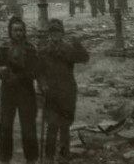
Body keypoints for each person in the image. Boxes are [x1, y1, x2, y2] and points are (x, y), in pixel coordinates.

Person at [38, 19, 90, 163]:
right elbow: (39, 72)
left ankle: (64, 154)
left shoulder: (68, 50)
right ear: (49, 34)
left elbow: (84, 58)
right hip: (51, 93)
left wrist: (77, 44)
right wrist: (42, 85)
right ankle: (48, 156)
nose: (55, 34)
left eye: (58, 31)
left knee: (65, 124)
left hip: (67, 92)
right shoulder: (43, 52)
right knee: (52, 124)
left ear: (62, 33)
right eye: (52, 31)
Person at [0, 16, 39, 164]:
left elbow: (34, 70)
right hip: (8, 92)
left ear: (24, 31)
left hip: (26, 92)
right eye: (15, 30)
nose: (18, 33)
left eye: (20, 30)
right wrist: (0, 71)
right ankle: (4, 158)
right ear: (10, 31)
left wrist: (18, 77)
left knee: (28, 126)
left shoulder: (31, 49)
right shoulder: (4, 47)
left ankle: (31, 159)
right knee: (5, 125)